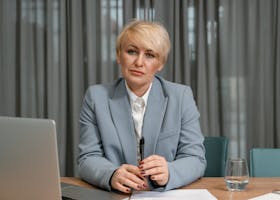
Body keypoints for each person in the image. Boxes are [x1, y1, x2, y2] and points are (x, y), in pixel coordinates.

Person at [77, 19, 206, 194]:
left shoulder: (181, 97)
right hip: (116, 196)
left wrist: (169, 172)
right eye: (132, 51)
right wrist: (112, 174)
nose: (139, 62)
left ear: (160, 64)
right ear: (118, 55)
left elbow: (195, 158)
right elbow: (87, 158)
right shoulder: (96, 97)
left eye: (150, 55)